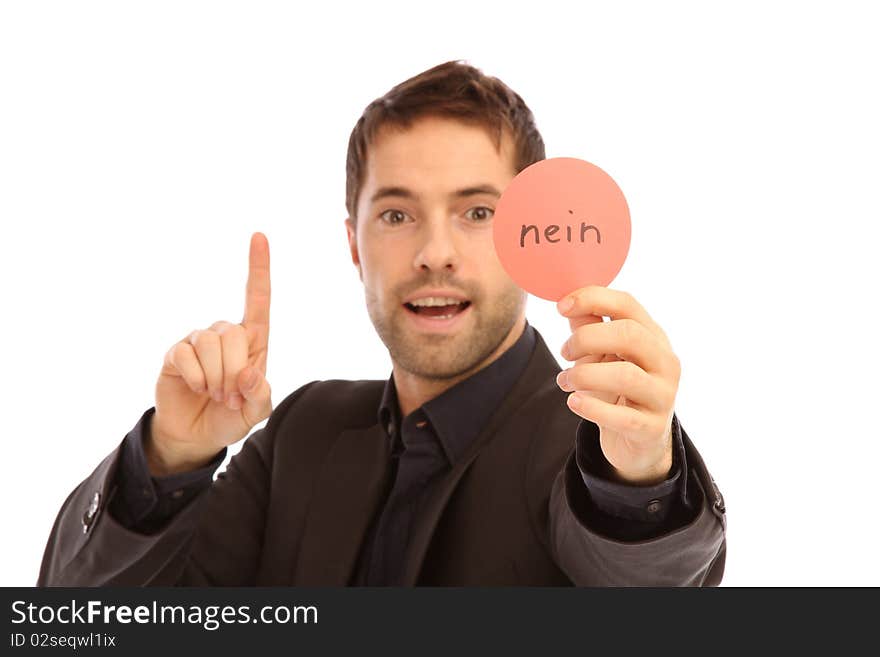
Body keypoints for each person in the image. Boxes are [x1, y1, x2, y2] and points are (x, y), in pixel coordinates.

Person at [38, 60, 726, 586]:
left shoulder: (588, 443)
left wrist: (640, 484)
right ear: (354, 245)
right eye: (397, 214)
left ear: (529, 234)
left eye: (477, 211)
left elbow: (651, 590)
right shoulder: (301, 432)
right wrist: (166, 462)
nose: (435, 253)